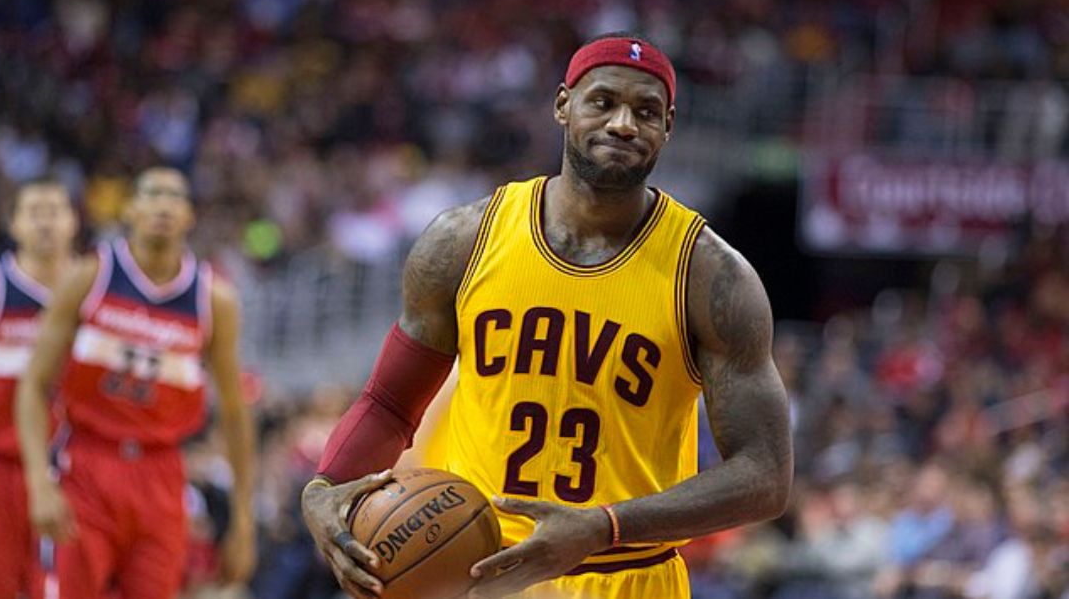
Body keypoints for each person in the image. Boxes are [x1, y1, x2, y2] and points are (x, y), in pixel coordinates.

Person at [301, 33, 793, 599]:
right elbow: (389, 404)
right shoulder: (463, 240)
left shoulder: (711, 276)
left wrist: (605, 526)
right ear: (563, 105)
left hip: (626, 577)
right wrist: (325, 486)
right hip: (480, 569)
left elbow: (765, 475)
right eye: (603, 102)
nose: (624, 124)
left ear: (669, 126)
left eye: (646, 111)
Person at [16, 167, 257, 599]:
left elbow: (236, 413)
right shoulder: (89, 277)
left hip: (161, 472)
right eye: (152, 194)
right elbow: (33, 385)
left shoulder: (214, 300)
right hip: (86, 462)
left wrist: (242, 517)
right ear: (132, 209)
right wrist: (38, 479)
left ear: (190, 215)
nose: (163, 204)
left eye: (174, 196)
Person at [0, 179, 78, 599]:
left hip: (78, 468)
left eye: (54, 210)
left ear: (73, 222)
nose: (45, 222)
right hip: (0, 467)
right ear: (14, 224)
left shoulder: (92, 291)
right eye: (34, 211)